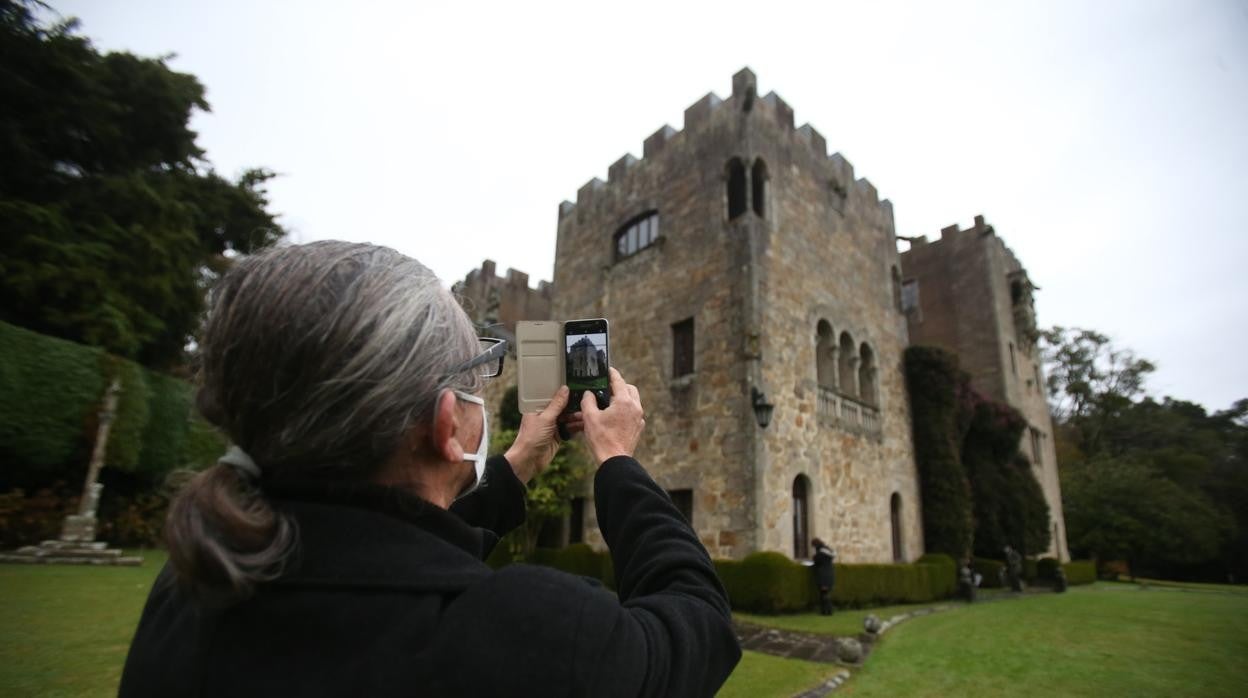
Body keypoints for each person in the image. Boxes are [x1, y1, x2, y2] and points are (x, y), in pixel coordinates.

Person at [118, 241, 741, 697]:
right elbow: (700, 621)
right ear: (448, 425)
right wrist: (618, 461)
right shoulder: (523, 632)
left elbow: (384, 549)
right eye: (480, 377)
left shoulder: (196, 582)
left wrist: (517, 465)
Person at [811, 538, 836, 615]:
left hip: (823, 576)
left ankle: (826, 611)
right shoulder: (829, 551)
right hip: (830, 574)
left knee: (823, 594)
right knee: (825, 594)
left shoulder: (821, 553)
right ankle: (827, 611)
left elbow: (816, 560)